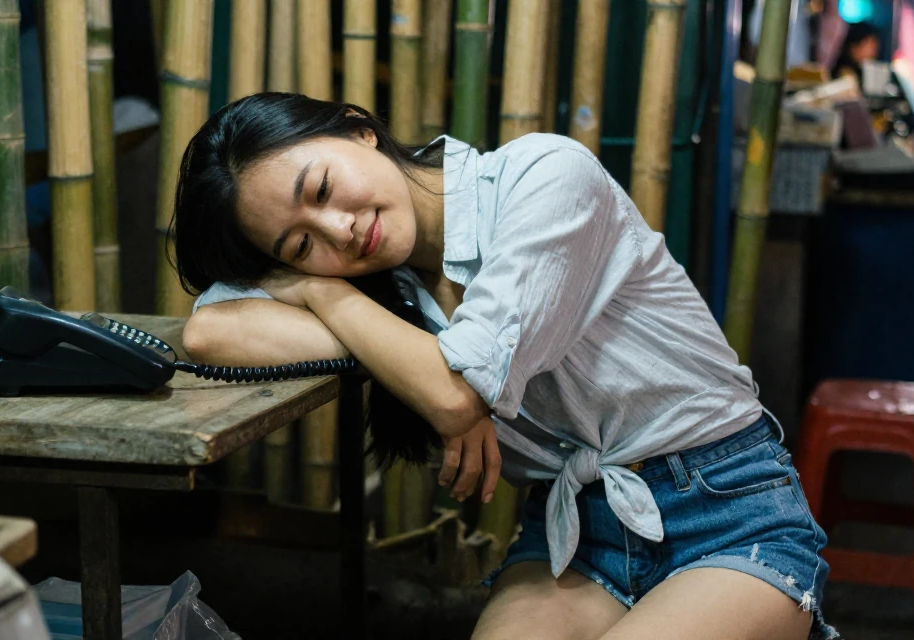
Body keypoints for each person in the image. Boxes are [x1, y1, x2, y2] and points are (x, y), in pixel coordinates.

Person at [172, 92, 836, 640]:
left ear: (359, 131)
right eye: (301, 244)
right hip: (578, 533)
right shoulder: (390, 298)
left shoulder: (544, 177)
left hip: (725, 511)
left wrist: (328, 296)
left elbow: (456, 397)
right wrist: (350, 306)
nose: (338, 230)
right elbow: (208, 330)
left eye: (321, 187)